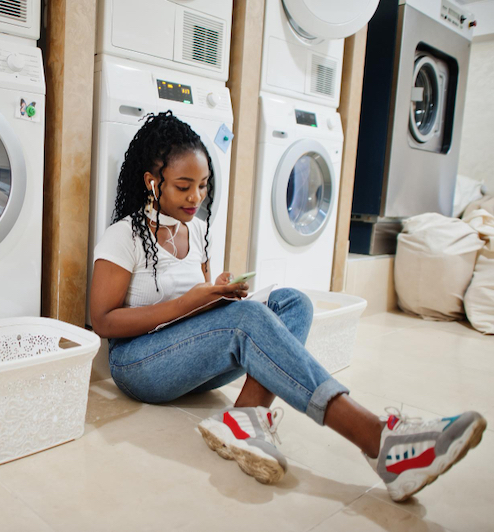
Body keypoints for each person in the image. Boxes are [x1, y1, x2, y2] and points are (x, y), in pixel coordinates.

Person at [88, 111, 486, 502]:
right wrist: (187, 303)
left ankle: (243, 418)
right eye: (183, 186)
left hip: (185, 358)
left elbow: (200, 311)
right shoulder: (123, 237)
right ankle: (377, 440)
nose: (196, 198)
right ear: (152, 182)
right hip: (137, 366)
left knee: (293, 303)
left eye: (204, 186)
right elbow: (102, 321)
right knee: (248, 321)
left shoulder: (197, 230)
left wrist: (214, 295)